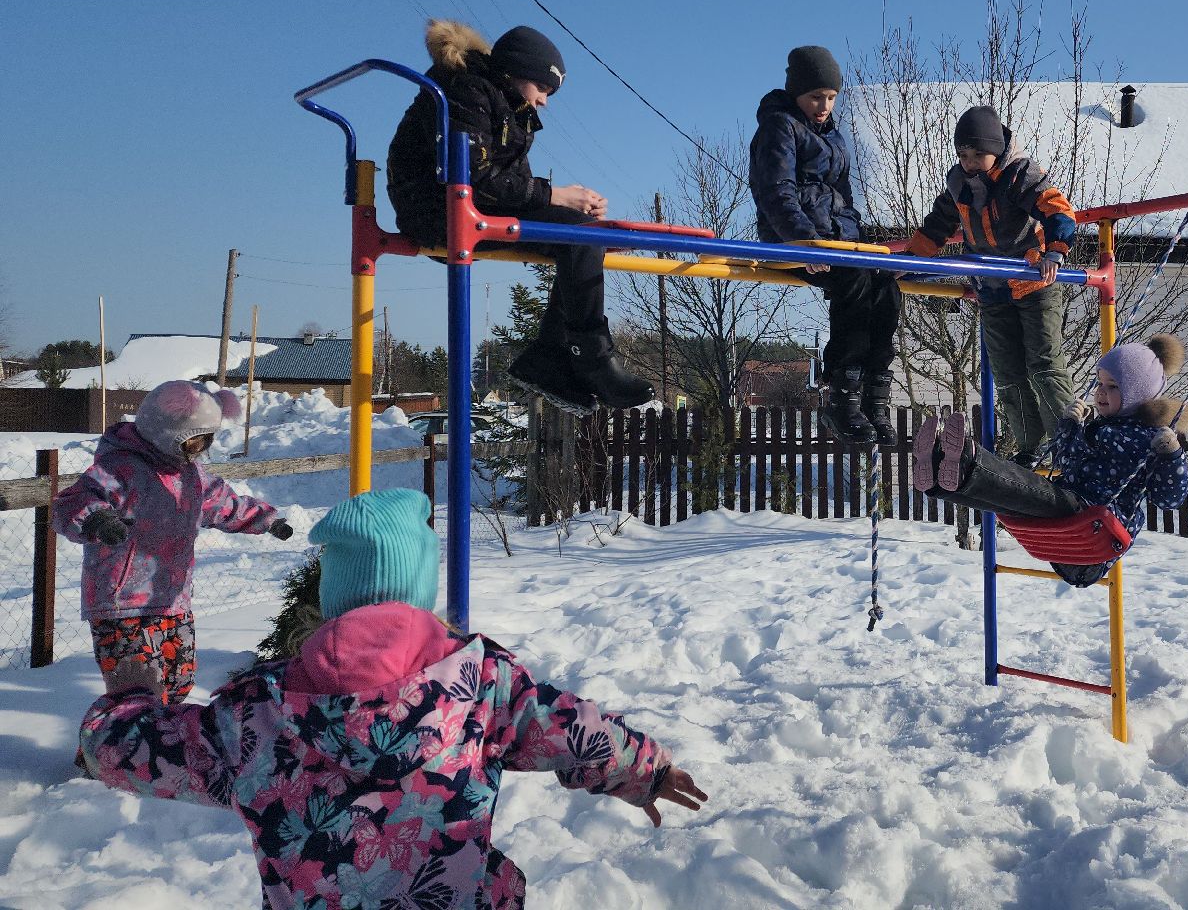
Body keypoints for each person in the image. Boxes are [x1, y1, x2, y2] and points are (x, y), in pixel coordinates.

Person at [77, 487, 708, 909]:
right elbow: (572, 728)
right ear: (421, 588)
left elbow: (124, 752)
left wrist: (130, 698)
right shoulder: (482, 685)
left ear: (333, 597)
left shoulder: (254, 715)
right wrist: (645, 769)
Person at [386, 18, 654, 415]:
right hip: (436, 212)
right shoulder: (466, 90)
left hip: (469, 208)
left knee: (582, 234)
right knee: (580, 235)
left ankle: (551, 355)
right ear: (515, 74)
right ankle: (591, 357)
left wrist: (566, 205)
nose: (545, 100)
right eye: (543, 88)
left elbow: (511, 184)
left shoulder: (505, 106)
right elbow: (473, 178)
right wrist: (557, 195)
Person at [54, 380, 294, 704]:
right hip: (121, 604)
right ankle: (110, 749)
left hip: (172, 598)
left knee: (178, 683)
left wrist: (265, 519)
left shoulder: (193, 475)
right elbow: (71, 502)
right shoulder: (118, 469)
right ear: (167, 432)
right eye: (194, 441)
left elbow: (225, 503)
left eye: (206, 441)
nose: (200, 449)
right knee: (136, 693)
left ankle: (161, 748)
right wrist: (97, 519)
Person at [912, 334, 1188, 586]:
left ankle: (967, 460)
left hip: (1095, 536)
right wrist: (1070, 427)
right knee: (1011, 500)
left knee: (1036, 489)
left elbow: (1169, 499)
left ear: (1137, 393)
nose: (1100, 392)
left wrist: (1171, 455)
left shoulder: (1151, 438)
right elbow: (1066, 463)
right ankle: (941, 479)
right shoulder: (1096, 428)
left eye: (1113, 386)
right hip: (1070, 529)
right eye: (1100, 383)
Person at [905, 105, 1077, 466]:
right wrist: (908, 264)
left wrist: (1056, 251)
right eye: (963, 155)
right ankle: (1032, 444)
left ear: (996, 150)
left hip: (1034, 281)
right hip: (991, 287)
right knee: (1008, 371)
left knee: (1043, 363)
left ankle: (1068, 443)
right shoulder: (959, 184)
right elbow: (938, 225)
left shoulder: (1019, 174)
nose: (970, 162)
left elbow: (1058, 209)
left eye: (977, 154)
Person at [750, 45, 902, 444]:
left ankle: (874, 397)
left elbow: (844, 199)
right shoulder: (778, 126)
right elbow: (776, 192)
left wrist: (863, 245)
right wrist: (805, 243)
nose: (824, 105)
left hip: (836, 241)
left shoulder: (833, 135)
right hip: (792, 239)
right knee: (853, 277)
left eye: (831, 97)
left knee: (886, 284)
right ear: (796, 92)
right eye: (816, 96)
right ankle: (842, 396)